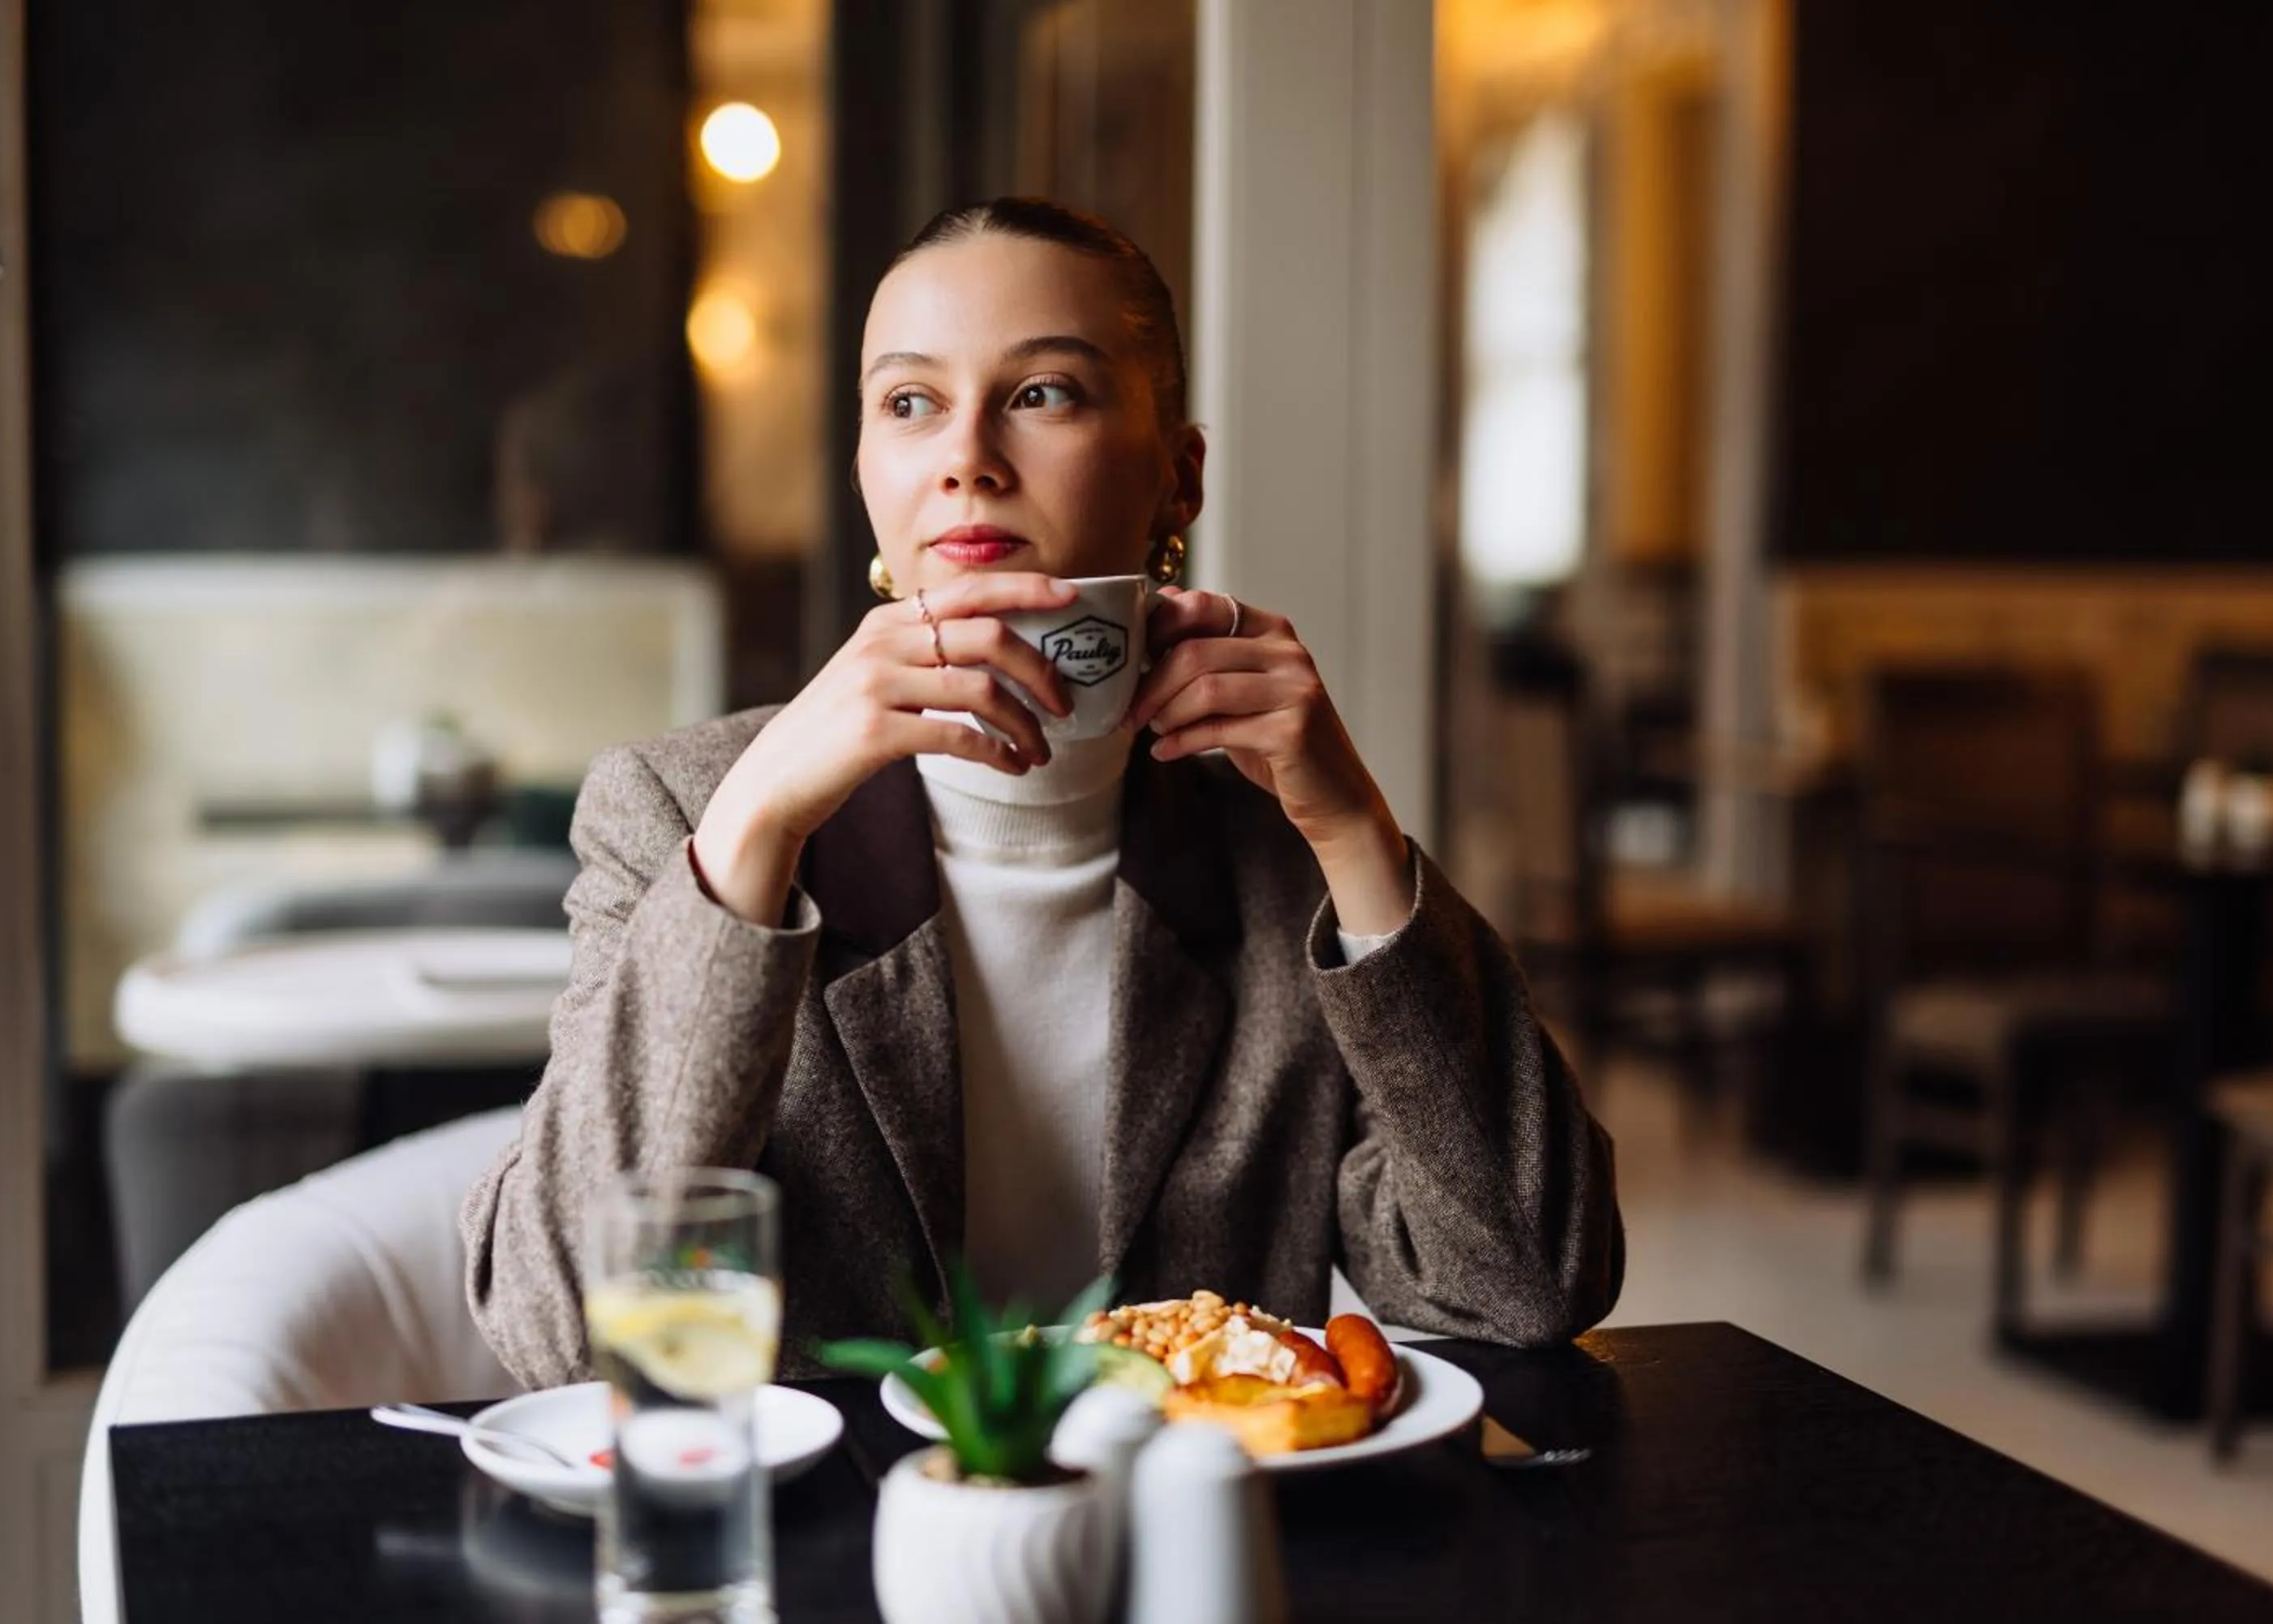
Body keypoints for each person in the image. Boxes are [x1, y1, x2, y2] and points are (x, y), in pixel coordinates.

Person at [462, 198, 1622, 1386]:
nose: (967, 455)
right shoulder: (679, 810)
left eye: (1042, 393)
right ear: (867, 470)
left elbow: (1524, 1282)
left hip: (1188, 1551)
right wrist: (756, 826)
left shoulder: (1281, 869)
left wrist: (1359, 838)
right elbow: (561, 1330)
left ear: (1179, 479)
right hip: (824, 1557)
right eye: (910, 403)